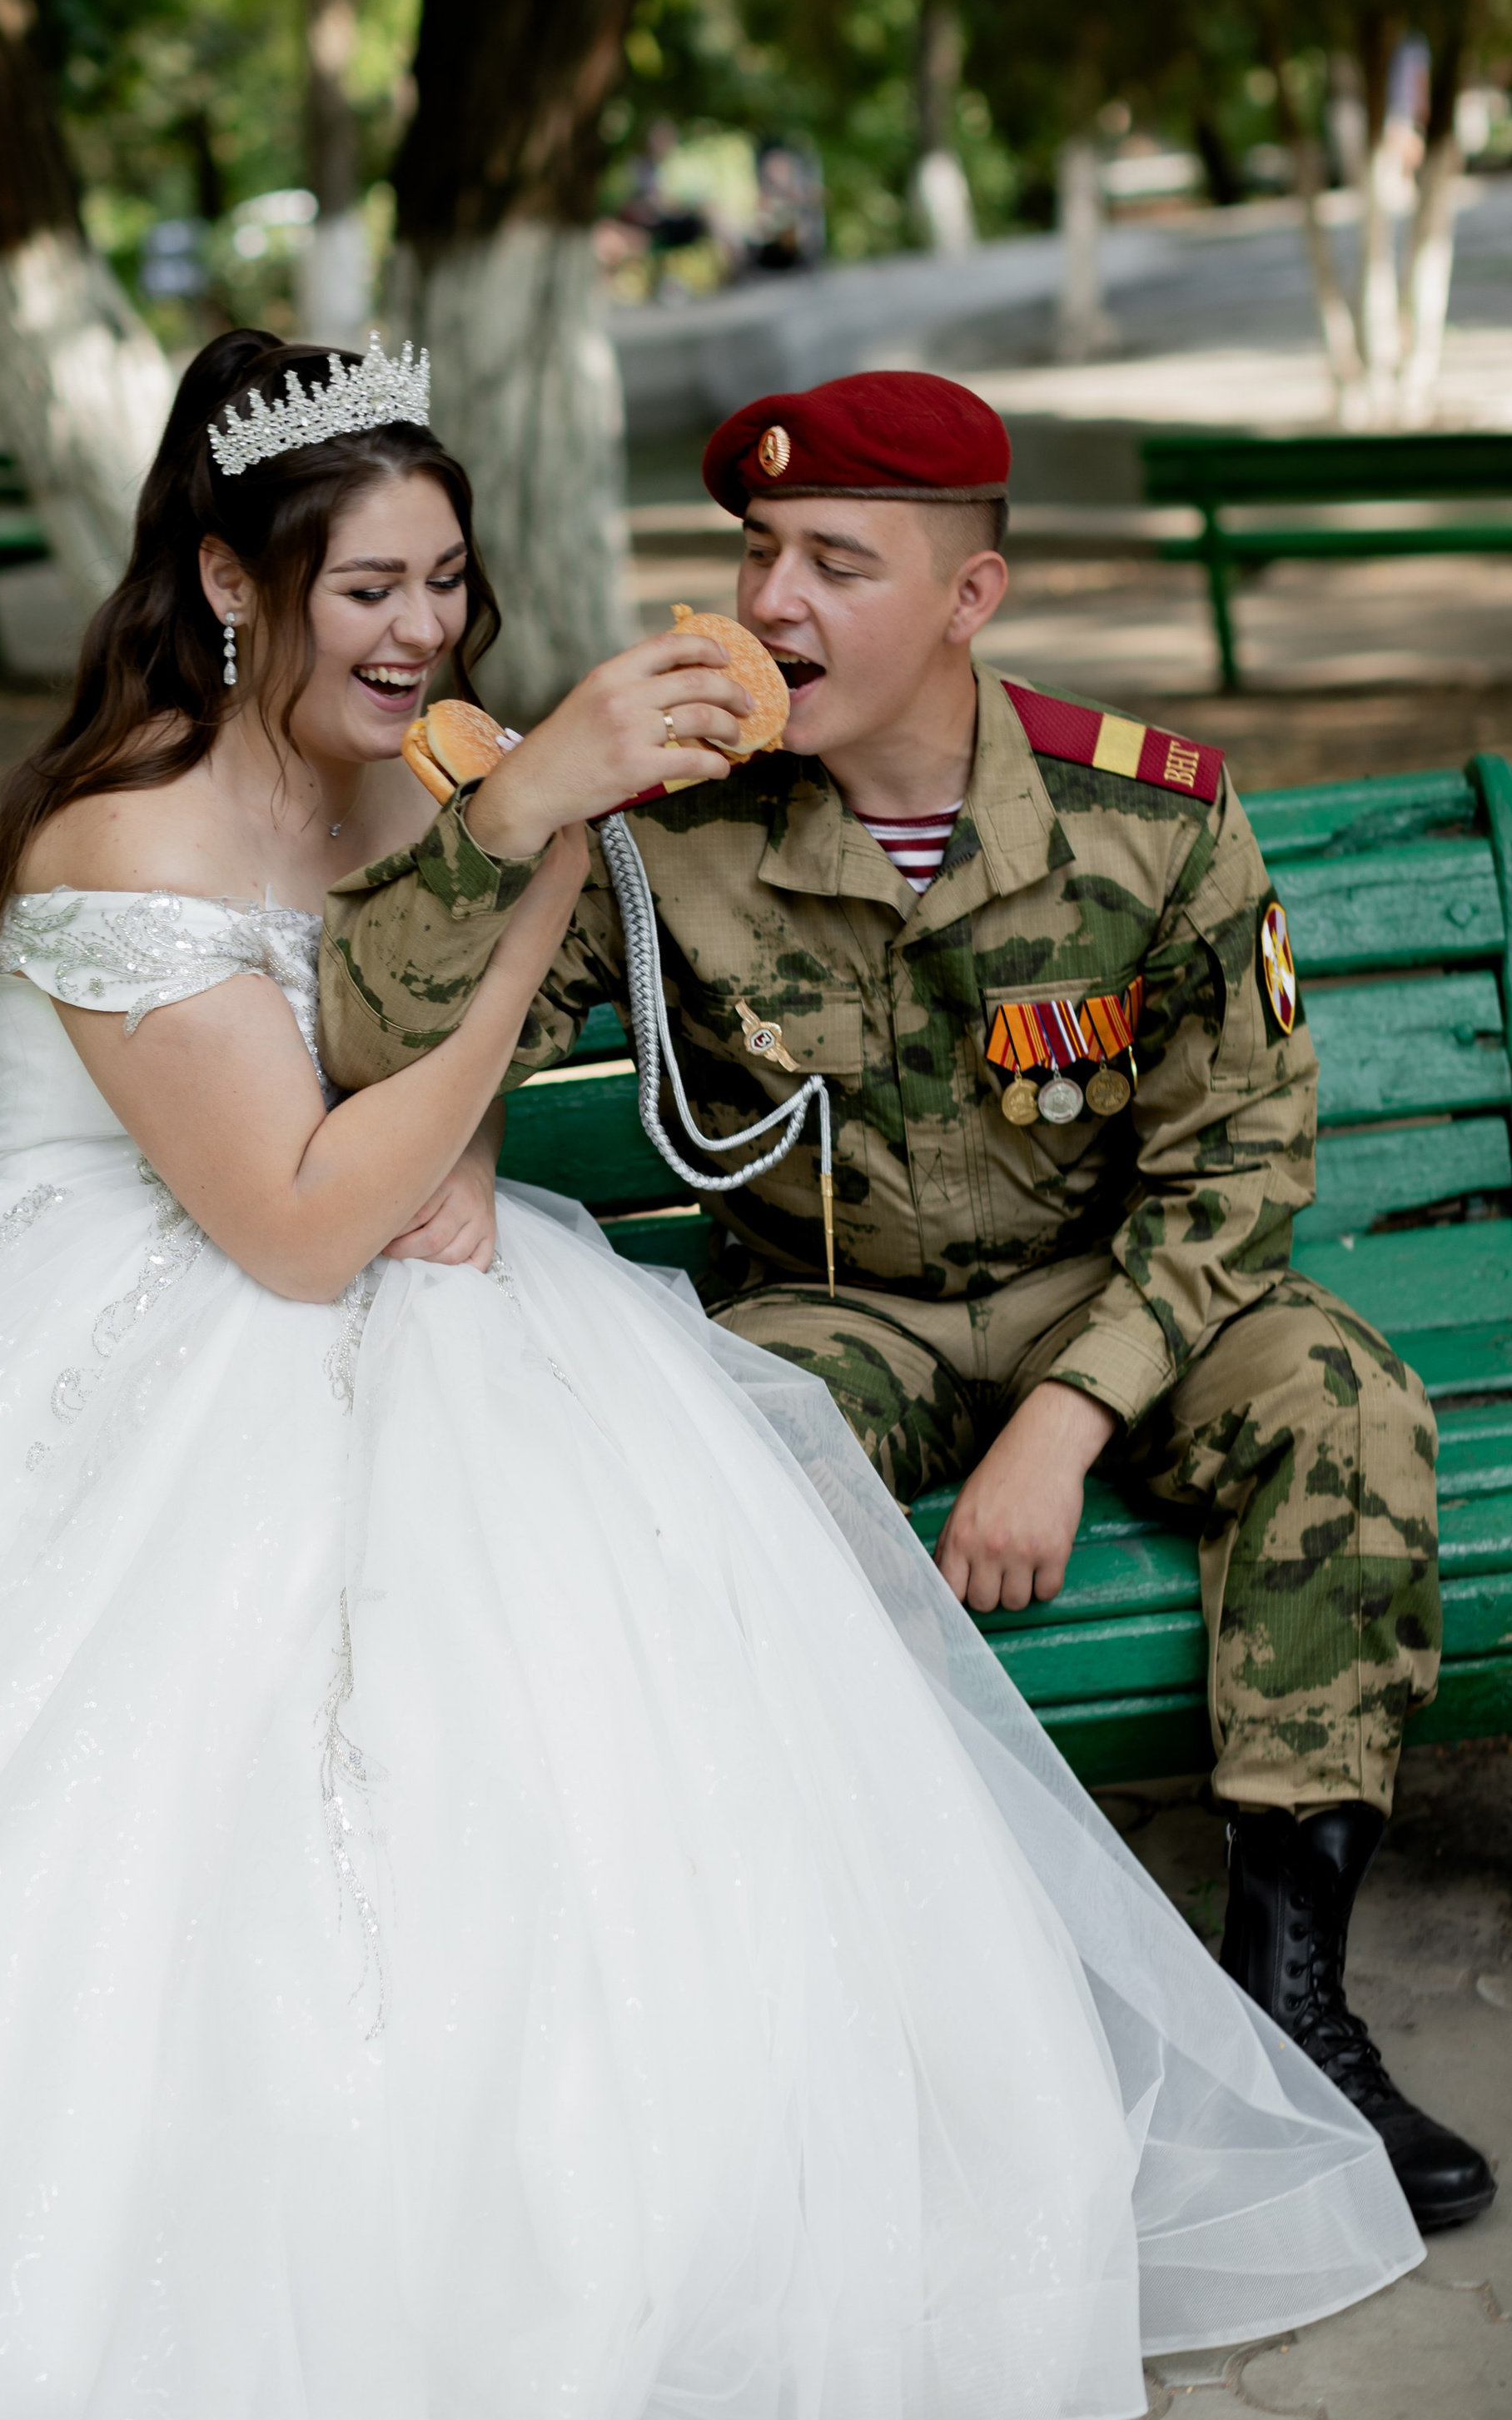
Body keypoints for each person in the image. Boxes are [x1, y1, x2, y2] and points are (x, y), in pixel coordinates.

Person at [0, 337, 1421, 2420]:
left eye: (447, 579)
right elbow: (298, 1204)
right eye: (368, 586)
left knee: (603, 1663)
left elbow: (400, 1069)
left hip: (429, 1304)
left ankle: (945, 2146)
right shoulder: (133, 838)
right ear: (231, 584)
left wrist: (467, 1001)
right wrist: (525, 868)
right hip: (139, 1347)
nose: (425, 629)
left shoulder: (455, 783)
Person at [321, 366, 1497, 2238]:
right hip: (834, 1309)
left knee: (1342, 1402)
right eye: (757, 551)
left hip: (1114, 1295)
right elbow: (371, 1043)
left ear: (969, 597)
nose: (770, 601)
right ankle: (898, 2032)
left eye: (836, 562)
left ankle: (1293, 2008)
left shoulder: (1150, 817)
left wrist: (1065, 1421)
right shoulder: (668, 826)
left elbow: (1240, 1161)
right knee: (704, 1485)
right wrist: (530, 795)